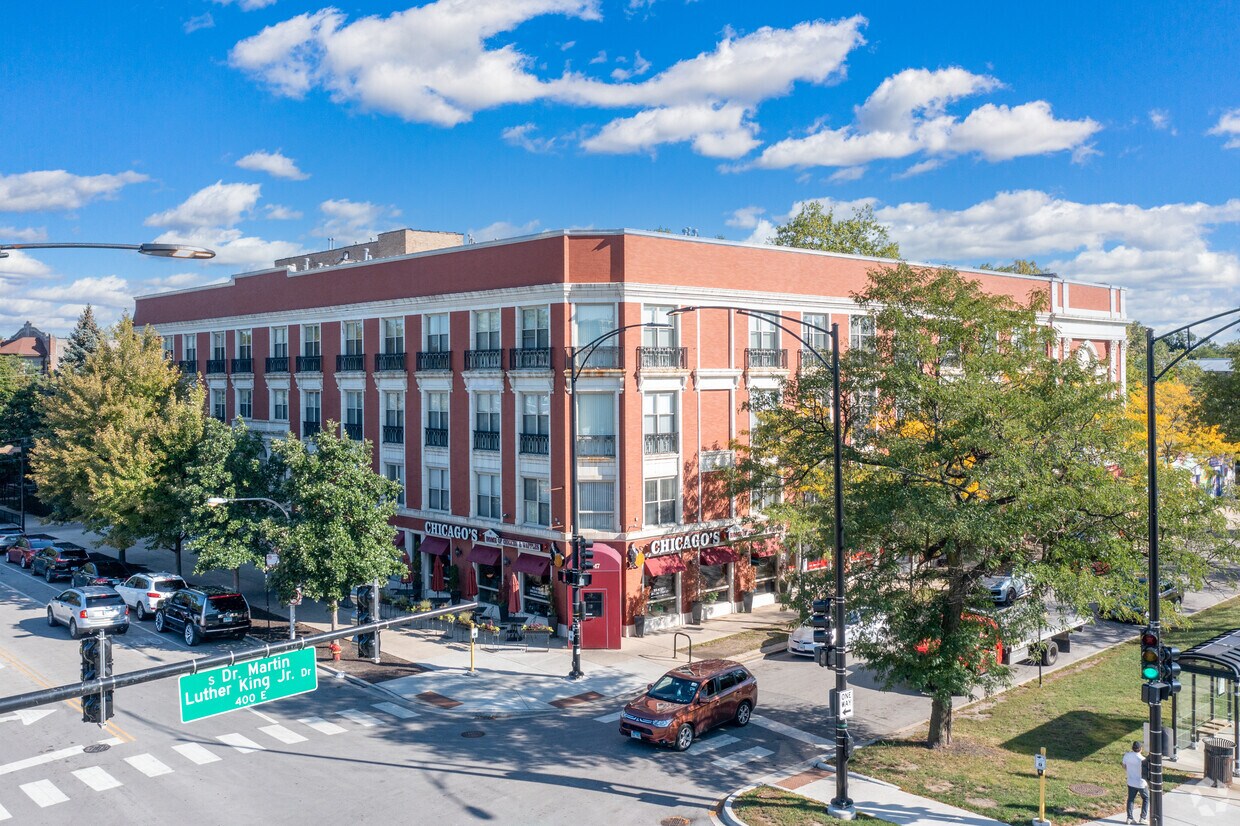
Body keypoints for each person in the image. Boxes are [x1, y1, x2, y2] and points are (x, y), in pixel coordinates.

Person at [1122, 740, 1148, 824]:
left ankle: (1129, 818)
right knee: (1146, 798)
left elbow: (1124, 766)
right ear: (1141, 749)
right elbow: (1145, 772)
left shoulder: (1127, 756)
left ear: (1132, 748)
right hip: (1141, 783)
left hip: (1131, 781)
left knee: (1131, 799)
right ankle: (1143, 818)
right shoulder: (1143, 759)